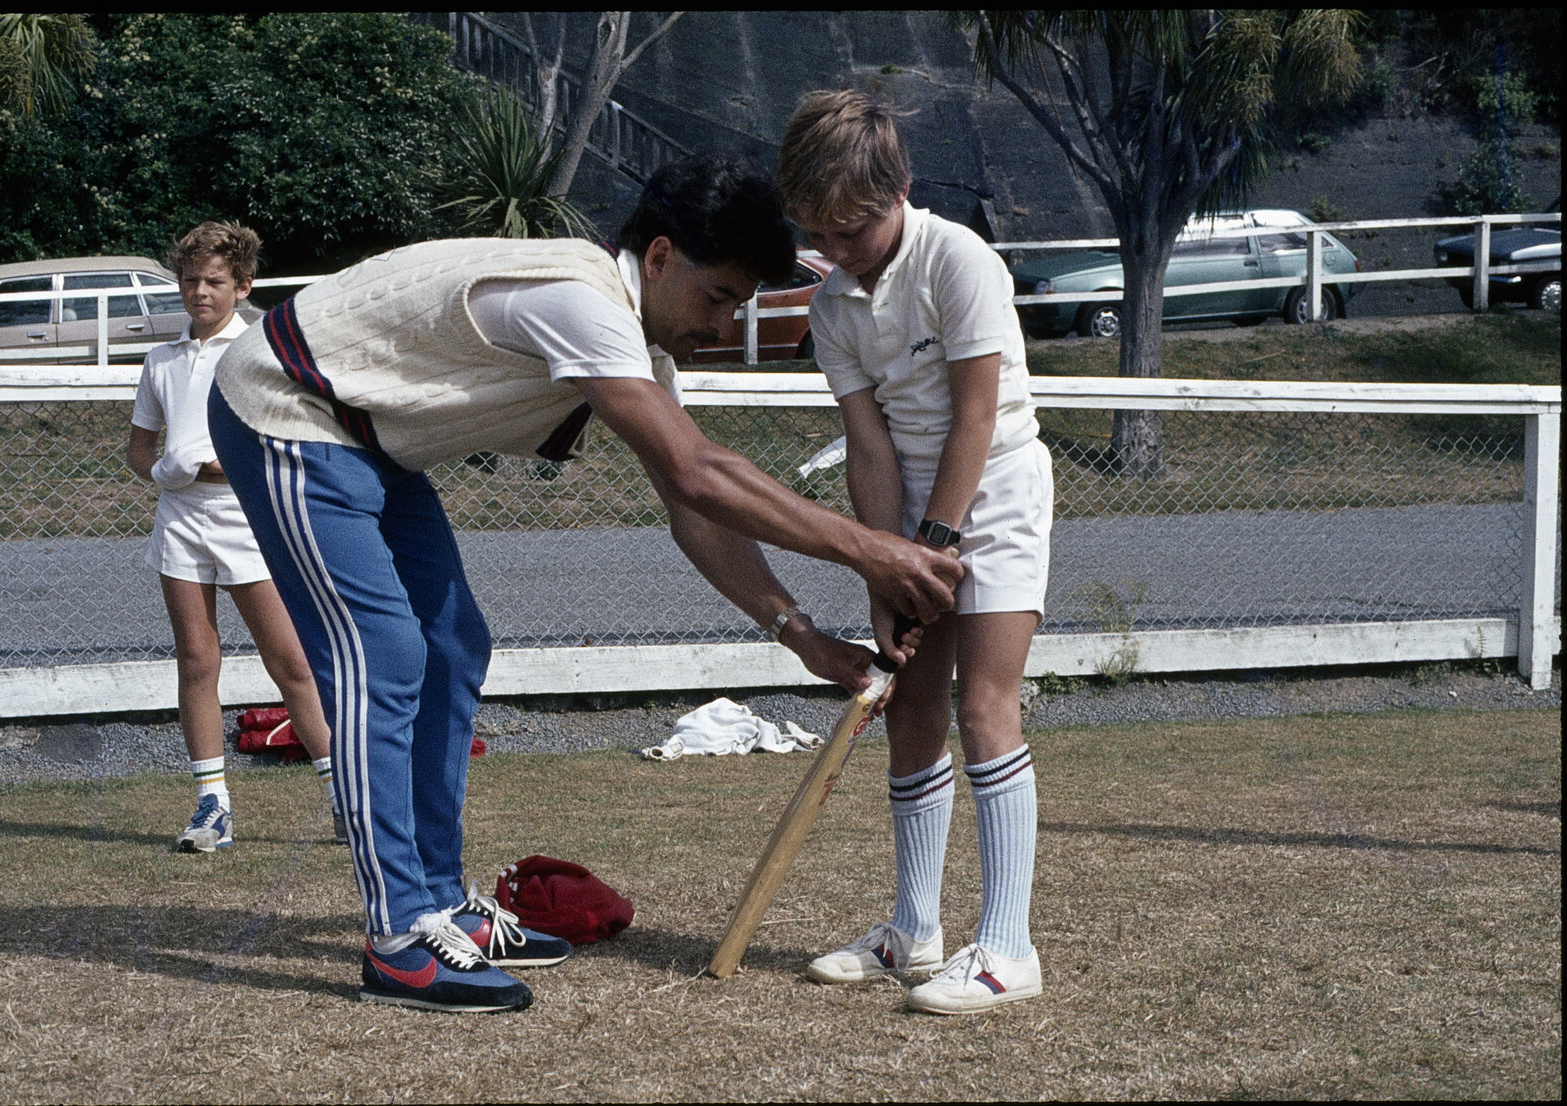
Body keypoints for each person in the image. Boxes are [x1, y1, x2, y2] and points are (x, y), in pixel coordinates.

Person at [205, 154, 964, 1015]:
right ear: (662, 257)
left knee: (452, 646)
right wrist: (877, 553)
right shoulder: (581, 300)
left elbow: (698, 511)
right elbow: (699, 472)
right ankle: (399, 937)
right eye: (718, 298)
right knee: (384, 655)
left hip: (369, 436)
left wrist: (804, 636)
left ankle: (443, 900)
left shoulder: (630, 340)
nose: (721, 325)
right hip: (285, 404)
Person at [776, 90, 1054, 1015]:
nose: (839, 248)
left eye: (852, 228)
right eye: (820, 232)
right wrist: (884, 566)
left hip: (1000, 486)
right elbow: (869, 444)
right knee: (911, 713)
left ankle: (1010, 948)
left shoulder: (958, 259)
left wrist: (933, 545)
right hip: (909, 515)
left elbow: (976, 414)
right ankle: (911, 931)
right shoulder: (831, 306)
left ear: (898, 189)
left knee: (984, 706)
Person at [126, 221, 339, 853]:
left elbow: (290, 436)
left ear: (242, 285)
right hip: (181, 523)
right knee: (197, 661)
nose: (200, 292)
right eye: (190, 280)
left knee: (292, 663)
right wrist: (163, 468)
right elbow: (138, 450)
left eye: (215, 282)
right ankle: (211, 805)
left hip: (249, 520)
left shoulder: (258, 349)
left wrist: (228, 466)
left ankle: (342, 798)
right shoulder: (161, 359)